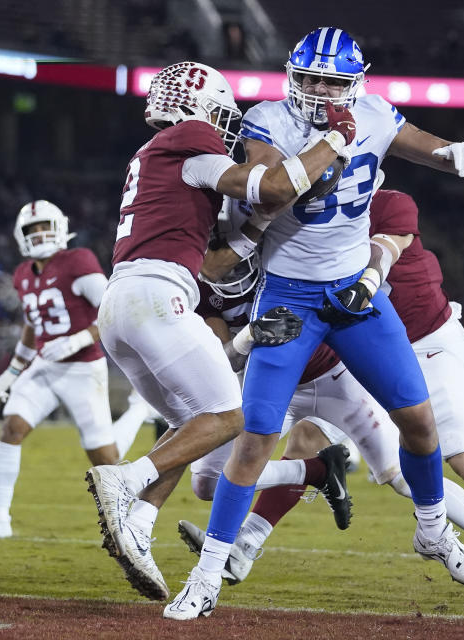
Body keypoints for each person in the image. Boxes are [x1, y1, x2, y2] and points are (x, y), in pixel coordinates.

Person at [164, 29, 464, 620]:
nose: (315, 90)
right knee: (258, 437)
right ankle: (207, 575)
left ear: (355, 84)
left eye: (329, 81)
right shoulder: (266, 119)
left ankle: (434, 527)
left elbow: (410, 140)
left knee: (418, 419)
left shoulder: (372, 112)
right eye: (307, 78)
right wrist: (332, 141)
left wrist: (449, 151)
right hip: (288, 297)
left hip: (353, 292)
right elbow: (270, 192)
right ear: (291, 76)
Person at [178, 189, 464, 614]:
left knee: (462, 464)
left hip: (419, 345)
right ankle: (247, 542)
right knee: (247, 464)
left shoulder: (382, 204)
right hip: (341, 356)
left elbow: (380, 254)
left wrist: (363, 281)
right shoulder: (274, 231)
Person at [82, 60, 356, 603]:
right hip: (157, 295)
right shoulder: (192, 139)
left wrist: (259, 226)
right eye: (221, 114)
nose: (226, 128)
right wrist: (333, 142)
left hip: (125, 301)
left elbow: (212, 265)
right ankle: (127, 479)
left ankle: (138, 522)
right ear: (200, 107)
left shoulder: (158, 154)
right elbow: (272, 184)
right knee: (232, 415)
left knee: (193, 423)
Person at [0, 200, 144, 539]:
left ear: (61, 227)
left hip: (82, 369)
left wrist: (79, 339)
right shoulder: (22, 274)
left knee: (106, 458)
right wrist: (14, 370)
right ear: (21, 236)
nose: (40, 234)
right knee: (11, 429)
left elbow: (112, 309)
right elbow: (33, 326)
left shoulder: (78, 260)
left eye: (45, 226)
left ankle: (139, 410)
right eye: (33, 229)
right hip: (45, 367)